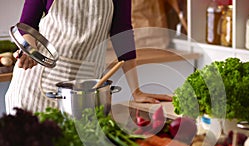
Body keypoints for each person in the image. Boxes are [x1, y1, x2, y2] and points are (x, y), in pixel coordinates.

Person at [5, 0, 172, 114]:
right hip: (34, 87)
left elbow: (122, 35)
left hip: (84, 90)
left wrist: (136, 91)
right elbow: (26, 25)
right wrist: (30, 49)